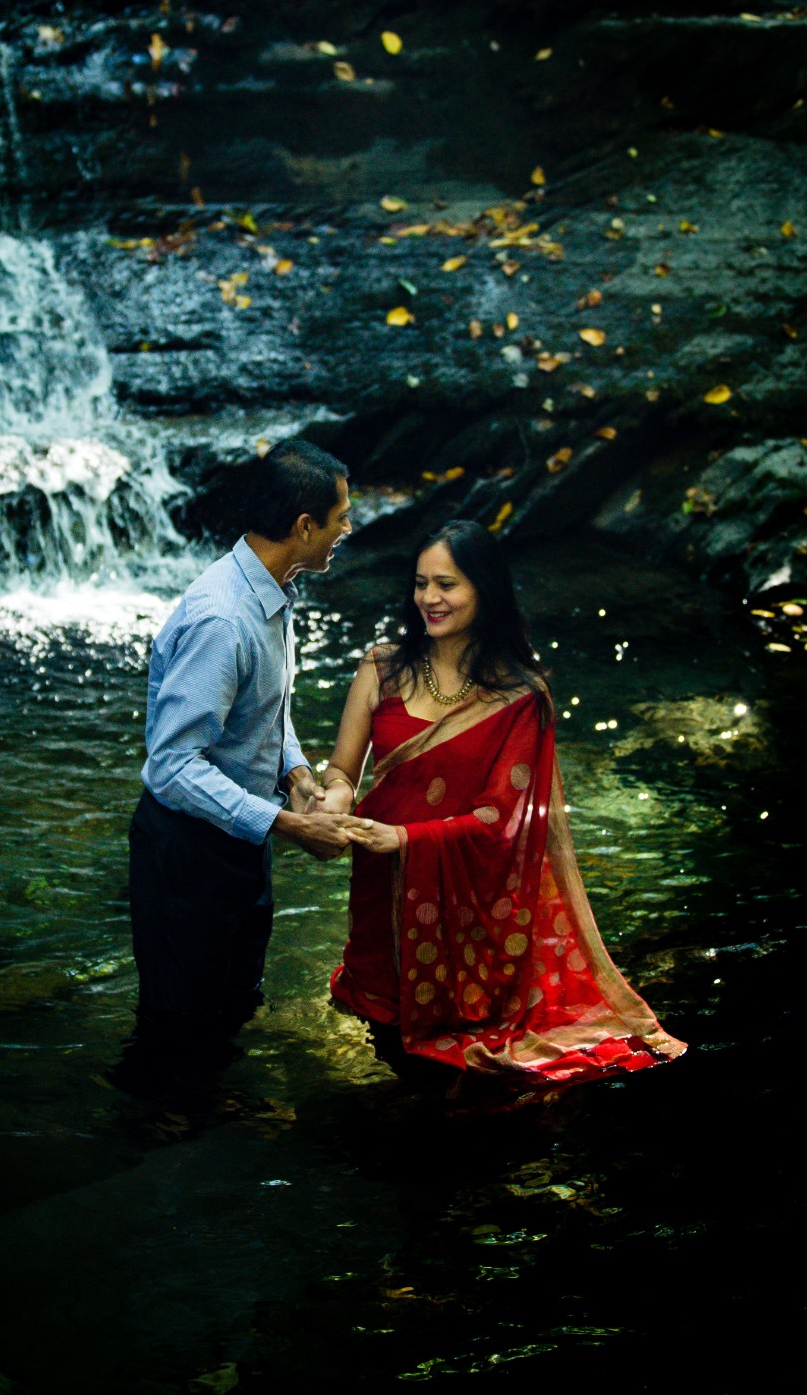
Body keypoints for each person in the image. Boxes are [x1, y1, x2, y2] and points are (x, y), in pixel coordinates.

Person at [322, 519, 686, 1087]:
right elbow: (345, 769)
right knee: (386, 1043)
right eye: (421, 584)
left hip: (465, 903)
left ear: (484, 590)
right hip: (379, 884)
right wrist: (334, 796)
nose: (429, 599)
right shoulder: (382, 666)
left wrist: (407, 839)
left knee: (457, 1082)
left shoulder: (519, 697)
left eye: (447, 584)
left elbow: (504, 823)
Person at [129, 437, 355, 1030]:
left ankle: (216, 1109)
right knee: (177, 1019)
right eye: (341, 518)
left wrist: (297, 775)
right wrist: (286, 824)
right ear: (305, 526)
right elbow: (174, 766)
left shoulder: (270, 592)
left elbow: (264, 714)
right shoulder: (222, 616)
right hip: (188, 851)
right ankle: (161, 1120)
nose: (348, 528)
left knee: (232, 1000)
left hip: (237, 838)